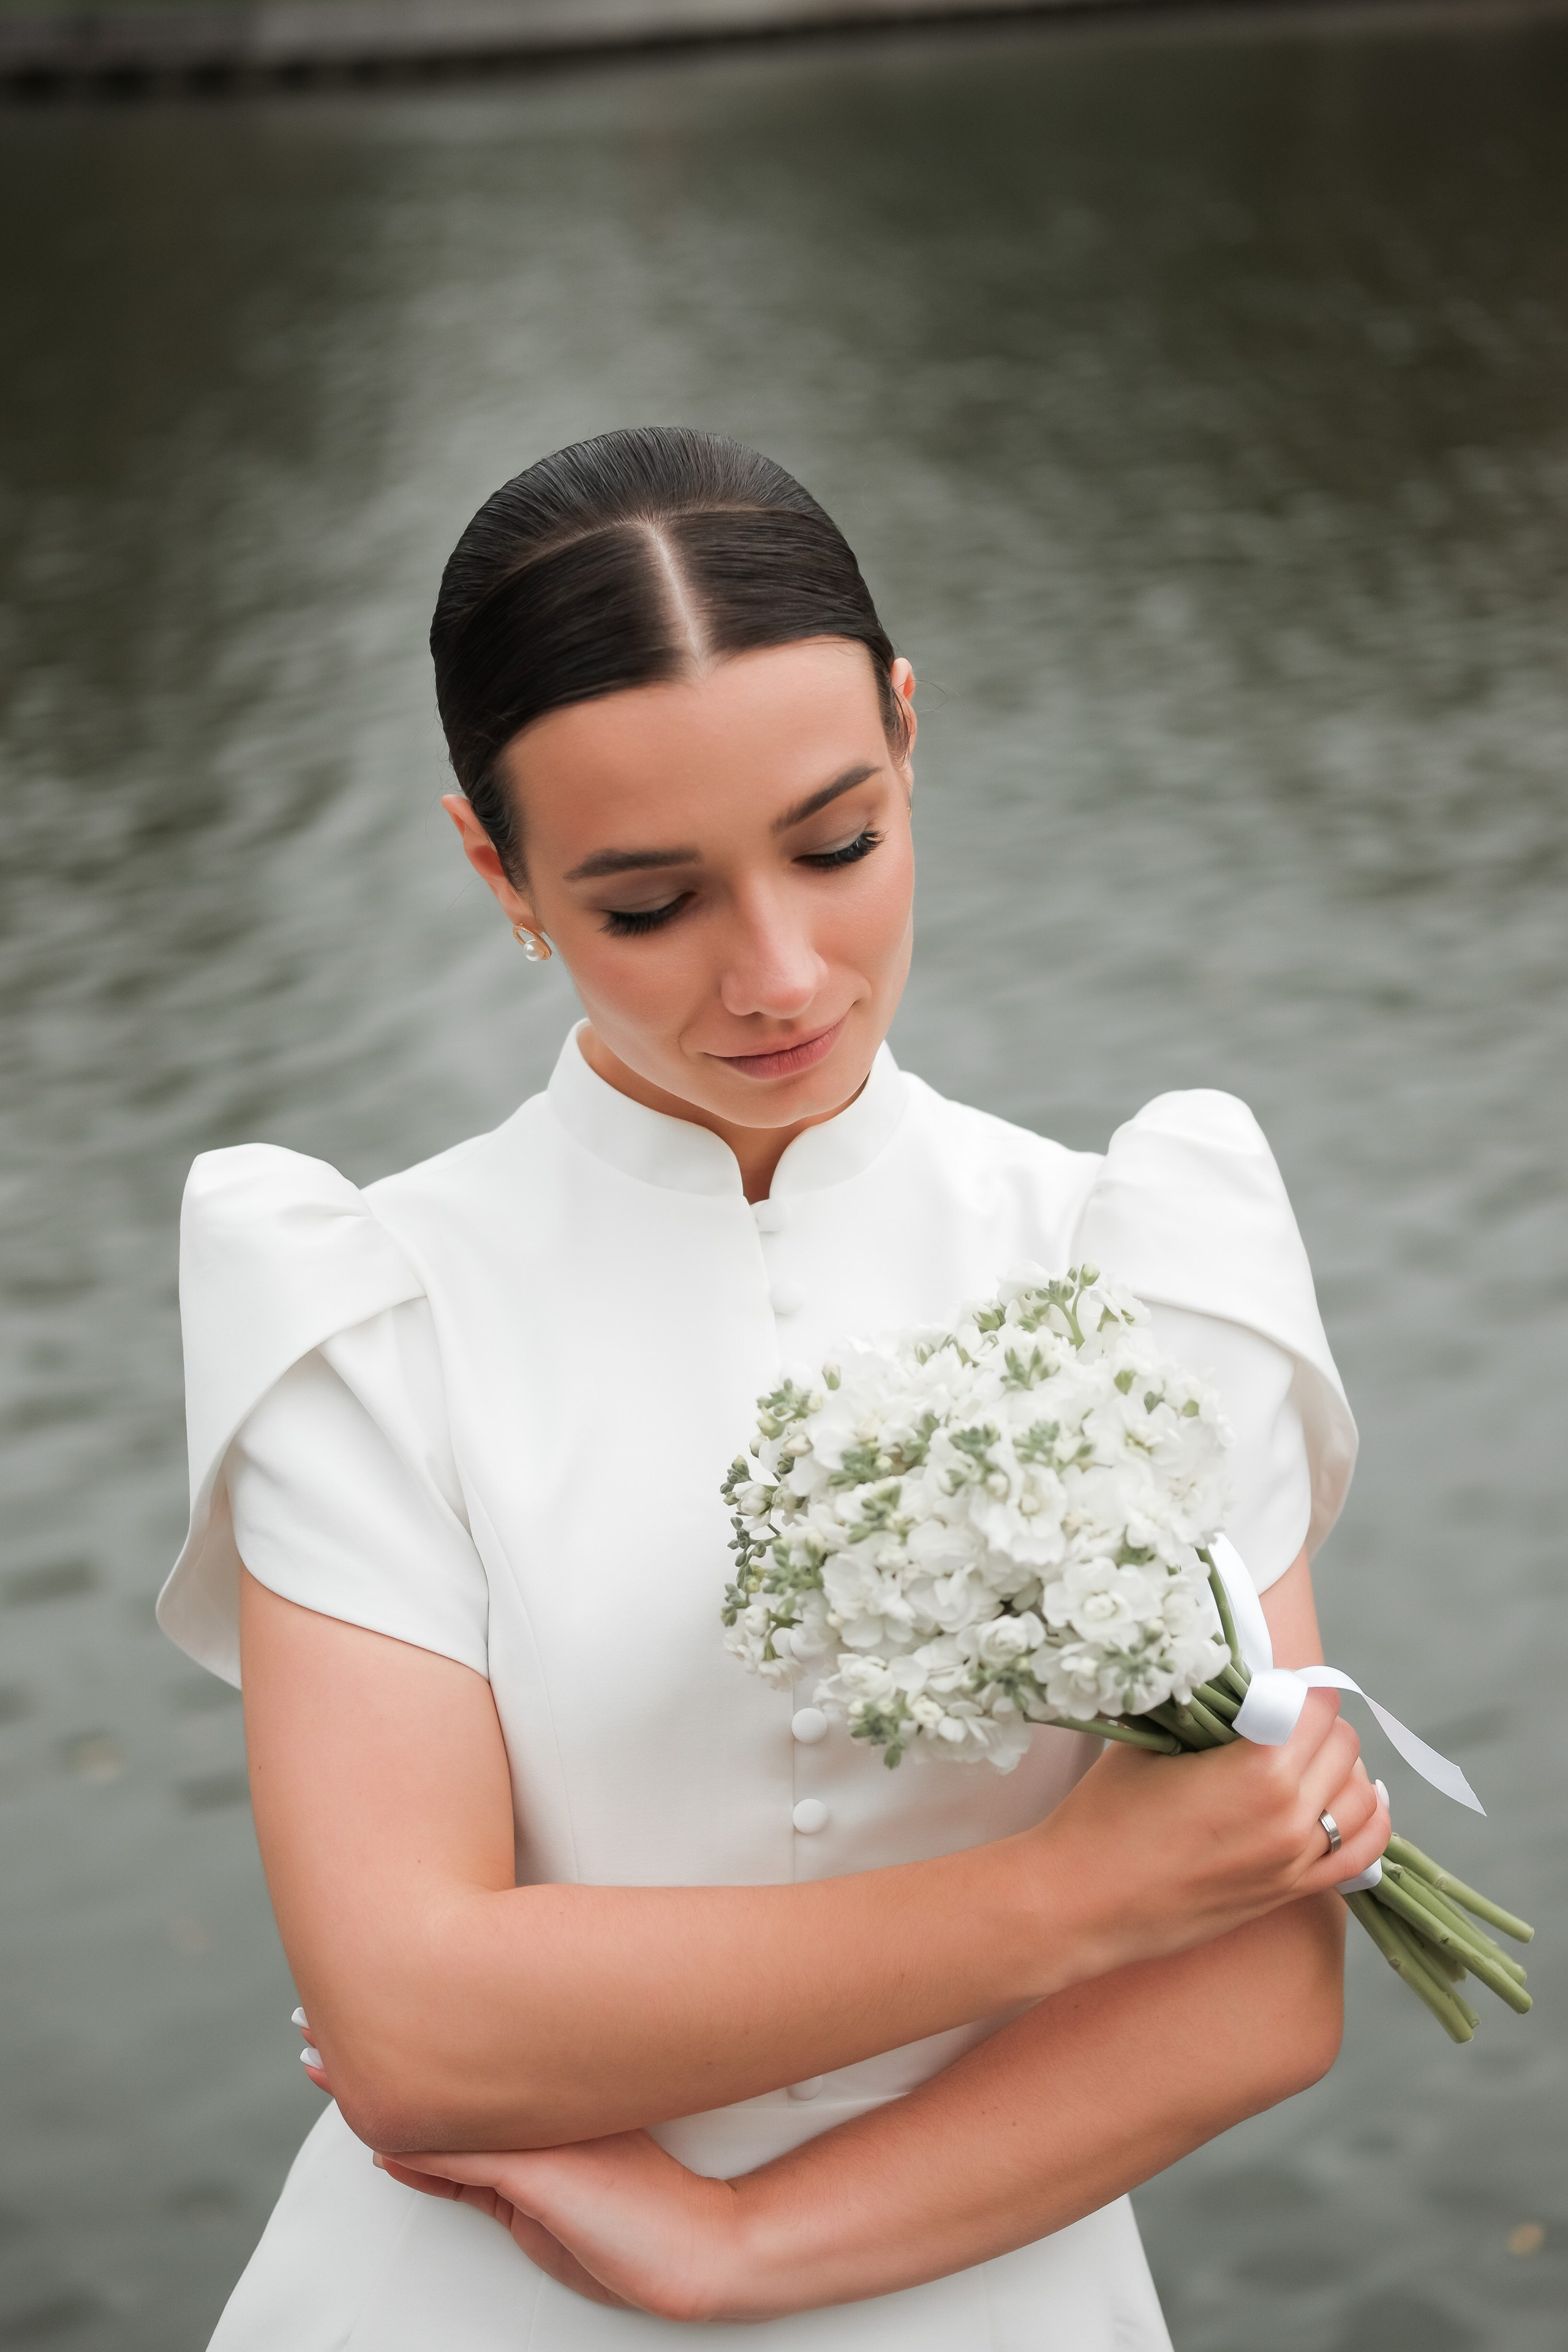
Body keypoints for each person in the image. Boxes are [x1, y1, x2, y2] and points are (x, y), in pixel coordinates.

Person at [157, 427, 1386, 2350]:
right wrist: (1074, 1900)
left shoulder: (1139, 1257)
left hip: (1004, 2285)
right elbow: (410, 2026)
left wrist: (744, 2251)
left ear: (907, 734)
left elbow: (1261, 1989)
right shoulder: (372, 1312)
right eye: (650, 906)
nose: (782, 973)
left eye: (839, 844)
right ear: (496, 866)